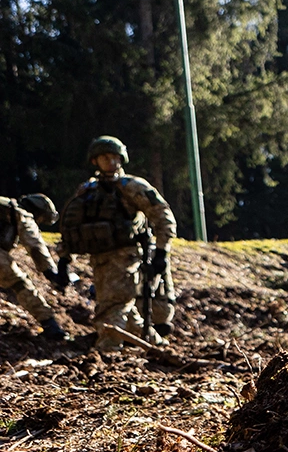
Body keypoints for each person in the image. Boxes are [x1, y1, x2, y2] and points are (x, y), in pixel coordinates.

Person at [58, 136, 176, 351]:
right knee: (124, 311)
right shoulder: (87, 191)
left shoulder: (131, 187)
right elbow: (71, 227)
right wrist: (64, 259)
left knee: (114, 306)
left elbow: (163, 216)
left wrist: (161, 252)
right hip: (100, 260)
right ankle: (156, 346)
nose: (111, 162)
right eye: (105, 157)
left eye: (115, 157)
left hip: (127, 257)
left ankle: (107, 350)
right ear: (95, 160)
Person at [0, 194, 70, 340]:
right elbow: (35, 246)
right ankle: (49, 324)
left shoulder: (5, 206)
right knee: (20, 284)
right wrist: (50, 272)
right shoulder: (20, 213)